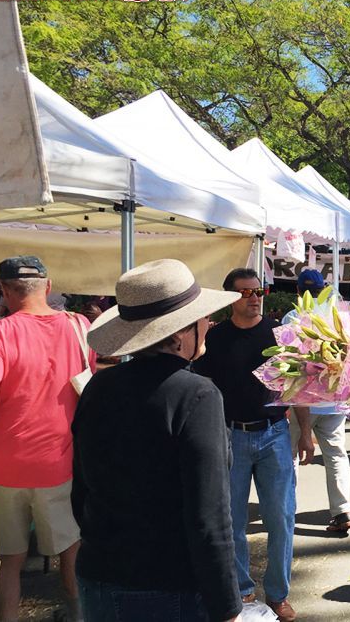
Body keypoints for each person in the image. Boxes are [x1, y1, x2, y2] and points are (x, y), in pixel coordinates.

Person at [72, 258, 241, 622]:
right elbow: (209, 515)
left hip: (98, 572)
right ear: (179, 333)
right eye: (202, 317)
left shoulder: (99, 386)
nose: (209, 324)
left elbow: (81, 488)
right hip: (165, 584)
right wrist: (228, 607)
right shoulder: (197, 395)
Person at [195, 268, 312, 621]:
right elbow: (201, 391)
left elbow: (296, 385)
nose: (255, 297)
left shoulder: (279, 335)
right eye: (246, 293)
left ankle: (278, 594)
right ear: (231, 297)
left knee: (281, 517)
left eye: (259, 291)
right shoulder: (214, 340)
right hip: (230, 436)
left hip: (274, 433)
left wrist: (305, 430)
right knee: (232, 522)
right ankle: (243, 591)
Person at [0, 256, 95, 622]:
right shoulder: (79, 326)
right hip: (58, 464)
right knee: (70, 551)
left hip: (2, 467)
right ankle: (80, 616)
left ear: (2, 290)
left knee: (9, 562)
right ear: (48, 287)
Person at [284, 269, 350, 534]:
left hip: (304, 400)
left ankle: (286, 509)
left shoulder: (293, 317)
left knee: (291, 455)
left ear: (297, 291)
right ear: (323, 289)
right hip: (334, 400)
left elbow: (289, 368)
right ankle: (342, 511)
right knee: (336, 454)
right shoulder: (338, 318)